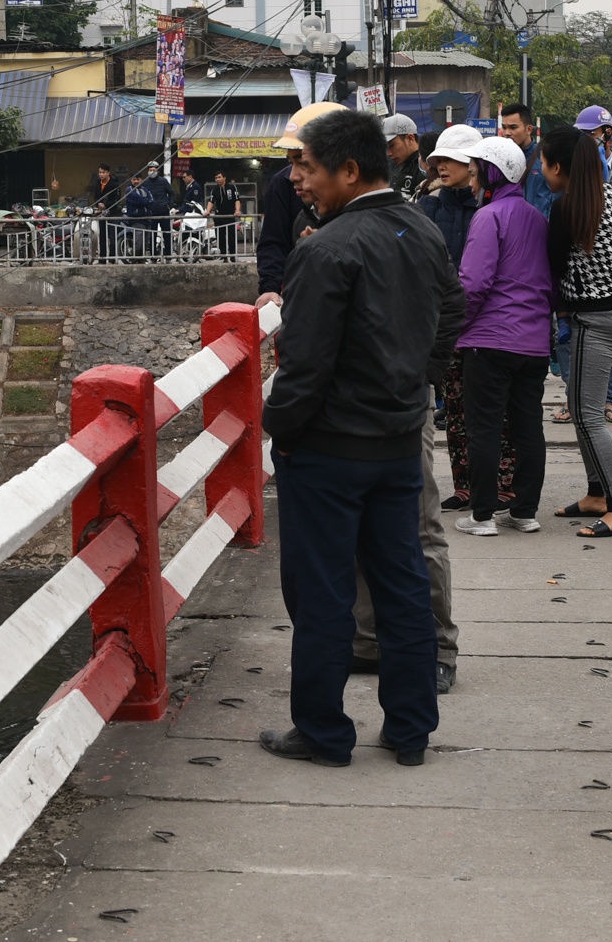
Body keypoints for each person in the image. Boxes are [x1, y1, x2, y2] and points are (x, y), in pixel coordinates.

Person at [260, 107, 463, 767]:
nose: (296, 178)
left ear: (349, 170)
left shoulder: (324, 248)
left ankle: (322, 730)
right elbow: (451, 317)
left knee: (322, 593)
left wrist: (280, 429)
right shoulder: (422, 229)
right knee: (402, 583)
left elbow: (306, 361)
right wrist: (416, 386)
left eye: (306, 166)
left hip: (329, 448)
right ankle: (410, 729)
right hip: (398, 441)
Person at [543, 125, 612, 539]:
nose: (542, 171)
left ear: (557, 166)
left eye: (543, 164)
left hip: (593, 319)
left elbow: (552, 265)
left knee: (588, 416)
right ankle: (595, 493)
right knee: (579, 405)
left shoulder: (566, 206)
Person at [453, 137, 554, 537]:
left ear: (493, 174)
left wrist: (455, 327)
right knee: (529, 426)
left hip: (490, 340)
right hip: (533, 343)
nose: (473, 181)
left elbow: (473, 284)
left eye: (476, 173)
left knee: (485, 428)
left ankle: (481, 516)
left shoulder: (488, 217)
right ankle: (525, 512)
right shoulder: (536, 217)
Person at [417, 127, 513, 521]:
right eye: (438, 159)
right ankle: (464, 486)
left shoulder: (489, 209)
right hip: (443, 323)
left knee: (493, 411)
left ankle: (503, 486)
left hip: (485, 324)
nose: (441, 165)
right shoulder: (429, 207)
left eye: (451, 159)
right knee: (454, 409)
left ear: (475, 165)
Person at [256, 101, 346, 303]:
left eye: (304, 163)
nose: (294, 176)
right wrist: (270, 287)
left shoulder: (385, 226)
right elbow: (273, 242)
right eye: (291, 162)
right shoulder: (297, 208)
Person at [499, 103, 554, 216]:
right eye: (504, 127)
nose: (507, 133)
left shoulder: (544, 157)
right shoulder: (499, 160)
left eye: (513, 127)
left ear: (529, 129)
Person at [382, 113, 425, 198]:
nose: (389, 153)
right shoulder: (393, 165)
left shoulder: (425, 168)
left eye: (391, 146)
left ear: (410, 139)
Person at [208, 170, 241, 259]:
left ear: (224, 178)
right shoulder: (214, 190)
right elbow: (211, 201)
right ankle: (224, 256)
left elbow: (237, 200)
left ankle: (233, 256)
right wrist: (207, 211)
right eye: (216, 178)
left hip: (230, 216)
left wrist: (237, 210)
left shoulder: (232, 187)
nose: (217, 179)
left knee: (231, 237)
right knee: (220, 238)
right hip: (219, 216)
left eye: (219, 177)